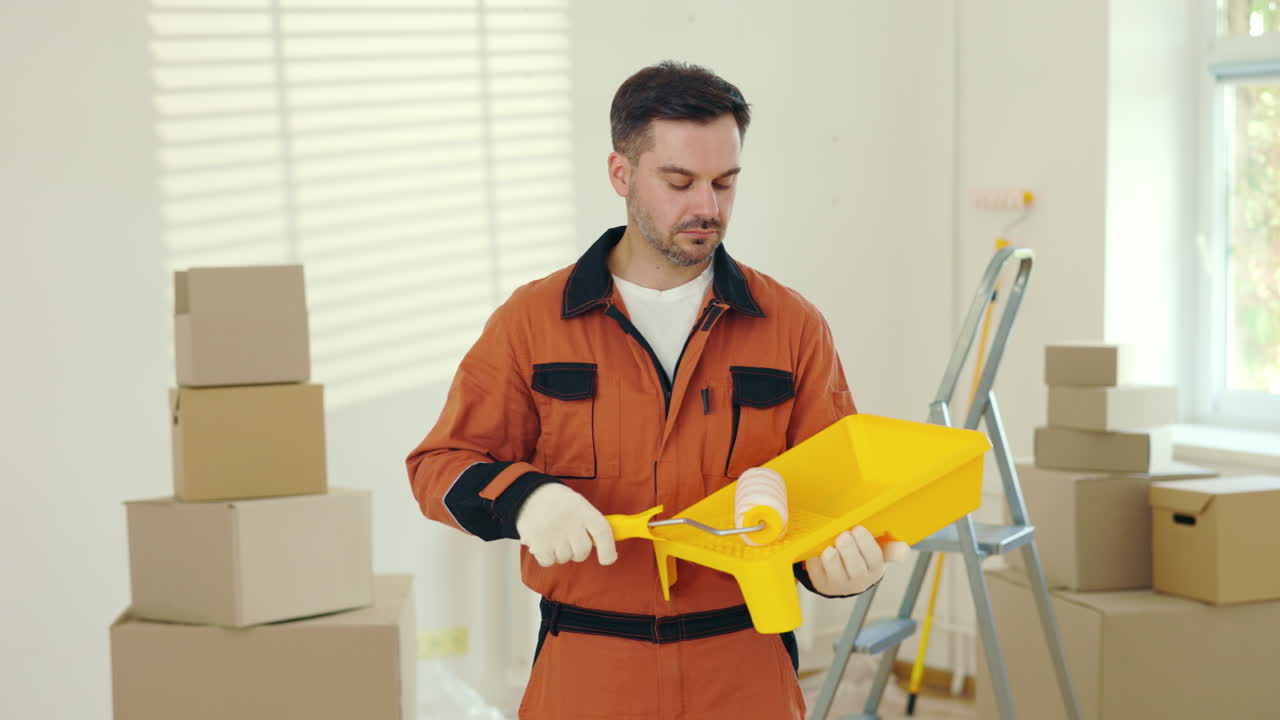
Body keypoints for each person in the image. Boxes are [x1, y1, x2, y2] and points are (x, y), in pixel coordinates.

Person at [407, 60, 906, 720]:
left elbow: (834, 491)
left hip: (745, 663)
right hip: (587, 665)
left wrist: (836, 568)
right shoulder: (533, 321)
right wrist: (527, 498)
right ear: (622, 174)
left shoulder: (792, 327)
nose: (709, 207)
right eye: (681, 182)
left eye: (726, 183)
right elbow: (439, 466)